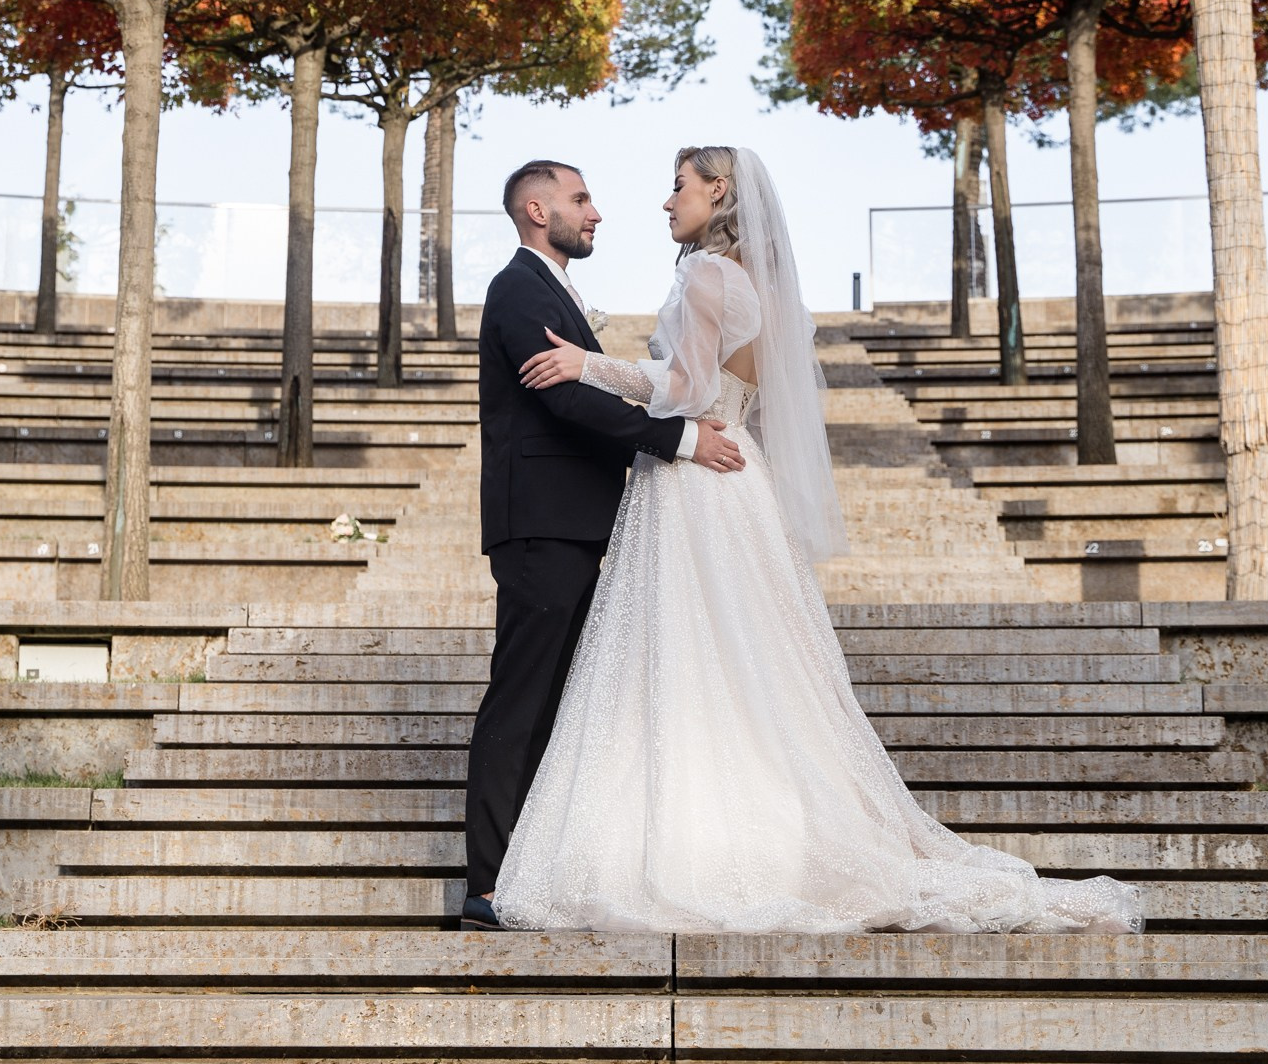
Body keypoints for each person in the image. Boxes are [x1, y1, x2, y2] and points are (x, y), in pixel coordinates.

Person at [488, 145, 1141, 935]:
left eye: (678, 188)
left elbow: (689, 391)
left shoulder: (701, 275)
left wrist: (590, 364)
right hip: (742, 478)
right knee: (746, 660)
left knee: (686, 658)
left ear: (716, 192)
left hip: (697, 476)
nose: (664, 204)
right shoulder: (762, 285)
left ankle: (685, 838)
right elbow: (728, 387)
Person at [459, 158, 748, 932]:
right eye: (580, 199)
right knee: (522, 700)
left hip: (580, 522)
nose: (596, 213)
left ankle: (526, 869)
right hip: (542, 525)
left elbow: (594, 383)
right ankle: (485, 885)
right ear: (533, 208)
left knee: (558, 704)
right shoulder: (517, 286)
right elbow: (562, 399)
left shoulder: (554, 291)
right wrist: (679, 439)